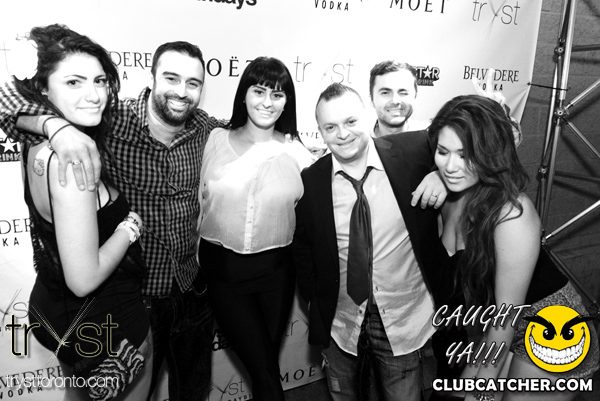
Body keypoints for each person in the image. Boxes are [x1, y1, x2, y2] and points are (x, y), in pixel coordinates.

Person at [0, 40, 223, 401]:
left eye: (193, 83)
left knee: (193, 392)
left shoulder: (205, 128)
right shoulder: (109, 118)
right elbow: (7, 102)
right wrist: (55, 126)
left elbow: (249, 127)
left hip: (190, 290)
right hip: (138, 296)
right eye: (171, 78)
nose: (182, 91)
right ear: (152, 78)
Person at [2, 24, 151, 400]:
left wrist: (51, 124)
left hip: (58, 312)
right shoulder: (72, 161)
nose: (94, 95)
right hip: (104, 321)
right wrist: (129, 228)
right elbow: (83, 280)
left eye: (100, 81)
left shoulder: (38, 140)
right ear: (42, 89)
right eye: (73, 82)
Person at [428, 95, 599, 401]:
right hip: (500, 328)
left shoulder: (511, 213)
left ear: (488, 155)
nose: (450, 166)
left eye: (465, 155)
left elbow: (507, 316)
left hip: (554, 328)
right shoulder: (445, 193)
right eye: (443, 152)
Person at [292, 82, 449, 401]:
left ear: (367, 116)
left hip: (401, 320)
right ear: (320, 132)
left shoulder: (413, 152)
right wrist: (314, 300)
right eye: (330, 127)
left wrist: (441, 173)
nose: (342, 134)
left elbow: (478, 137)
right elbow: (303, 247)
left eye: (351, 121)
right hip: (341, 322)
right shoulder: (311, 180)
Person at [198, 56, 313, 401]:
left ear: (287, 101)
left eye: (277, 94)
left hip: (277, 274)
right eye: (259, 91)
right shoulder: (214, 139)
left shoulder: (297, 152)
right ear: (244, 95)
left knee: (265, 369)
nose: (267, 102)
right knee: (264, 373)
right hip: (224, 273)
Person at [369, 61, 429, 138]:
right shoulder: (358, 139)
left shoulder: (432, 136)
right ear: (371, 99)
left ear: (415, 97)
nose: (395, 101)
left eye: (403, 93)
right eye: (385, 93)